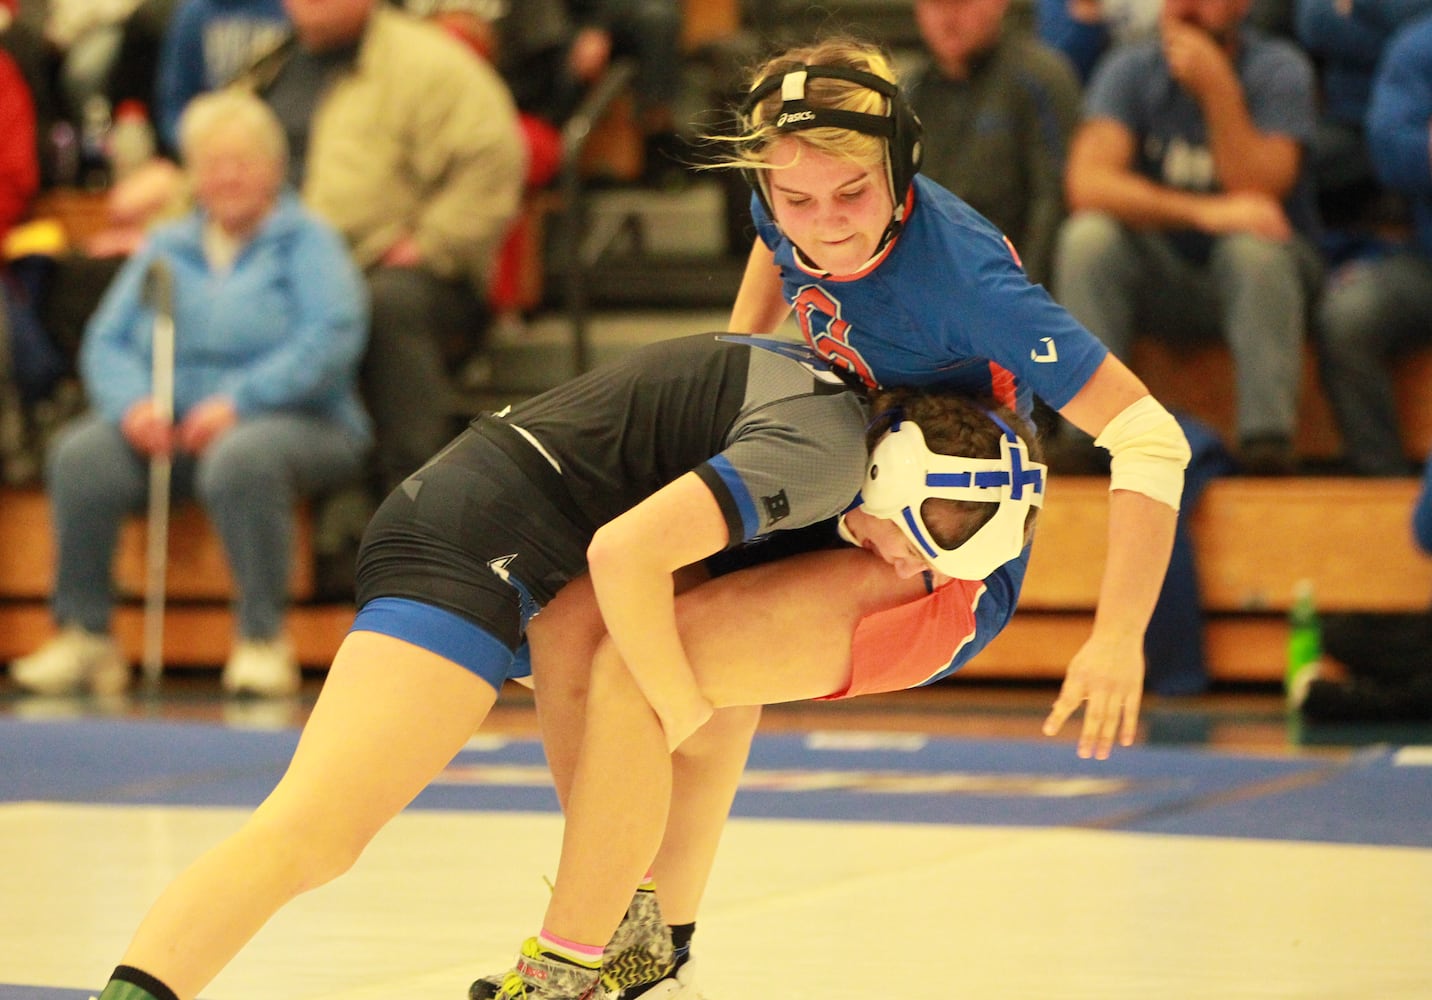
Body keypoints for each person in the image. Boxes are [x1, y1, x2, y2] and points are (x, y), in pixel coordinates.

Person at [475, 36, 1191, 1000]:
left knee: (640, 666)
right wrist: (739, 369)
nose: (825, 227)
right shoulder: (787, 193)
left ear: (900, 172)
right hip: (830, 482)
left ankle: (574, 957)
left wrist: (1117, 637)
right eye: (795, 202)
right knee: (571, 622)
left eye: (850, 197)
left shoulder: (967, 280)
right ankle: (645, 931)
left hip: (934, 555)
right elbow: (776, 263)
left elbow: (1152, 438)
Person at [82, 330, 1021, 1000]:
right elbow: (622, 565)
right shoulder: (819, 462)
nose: (906, 569)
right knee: (312, 835)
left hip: (518, 532)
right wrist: (674, 704)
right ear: (894, 472)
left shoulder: (820, 410)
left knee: (688, 699)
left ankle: (631, 937)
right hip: (477, 544)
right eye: (916, 542)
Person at [7, 89, 370, 699]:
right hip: (170, 423)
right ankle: (84, 634)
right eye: (212, 162)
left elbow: (330, 340)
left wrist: (240, 402)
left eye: (243, 161)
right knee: (82, 455)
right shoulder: (165, 247)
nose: (227, 176)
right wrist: (134, 406)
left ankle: (262, 638)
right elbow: (107, 341)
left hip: (297, 420)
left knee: (243, 458)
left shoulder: (309, 242)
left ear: (275, 169)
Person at [242, 0, 524, 497]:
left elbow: (494, 157)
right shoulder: (269, 65)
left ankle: (414, 496)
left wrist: (431, 241)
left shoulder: (429, 64)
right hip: (277, 264)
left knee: (387, 301)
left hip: (401, 270)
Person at [1052, 0, 1324, 475]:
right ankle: (1088, 434)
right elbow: (1088, 183)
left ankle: (1267, 444)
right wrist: (1207, 213)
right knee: (1087, 238)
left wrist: (1217, 87)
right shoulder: (1129, 67)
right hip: (1161, 275)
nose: (1187, 7)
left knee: (1253, 250)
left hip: (1259, 286)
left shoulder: (1278, 69)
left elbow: (1262, 191)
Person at [1313, 10, 1432, 476]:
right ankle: (1383, 489)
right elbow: (1386, 147)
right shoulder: (1419, 45)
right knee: (1349, 315)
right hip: (1426, 265)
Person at [905, 0, 1083, 287]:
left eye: (958, 4)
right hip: (936, 282)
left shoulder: (1041, 77)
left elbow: (1053, 200)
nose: (946, 18)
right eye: (934, 5)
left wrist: (1021, 293)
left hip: (1014, 279)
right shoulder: (912, 90)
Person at [155, 0, 289, 153]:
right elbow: (174, 105)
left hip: (277, 144)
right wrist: (198, 145)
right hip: (209, 146)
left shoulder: (289, 11)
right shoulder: (194, 14)